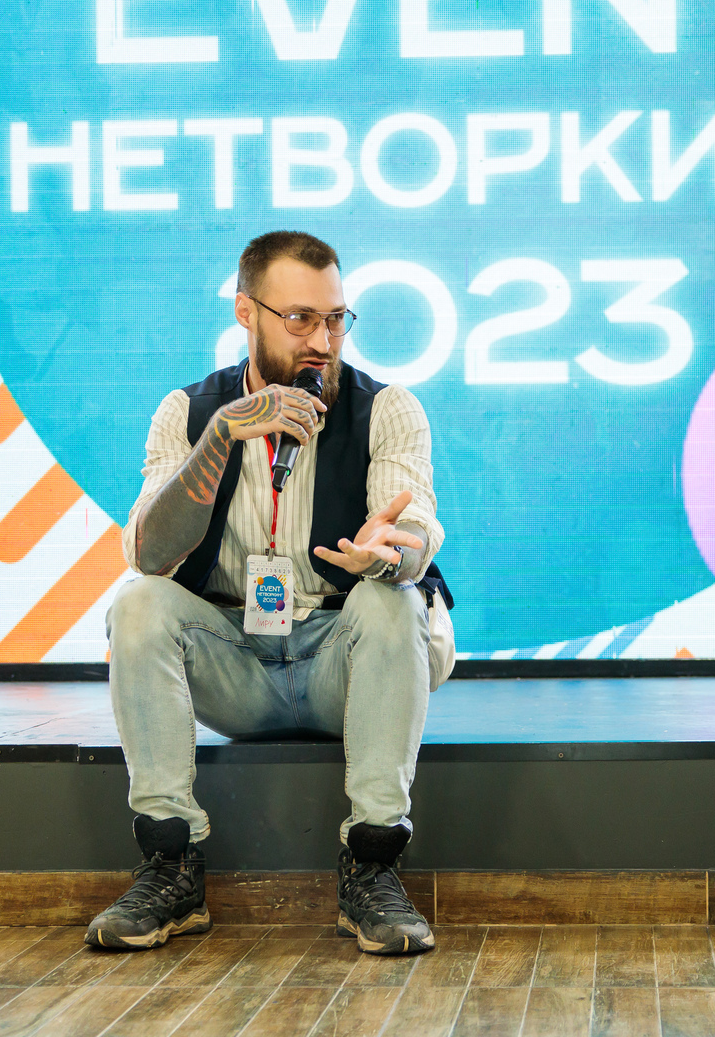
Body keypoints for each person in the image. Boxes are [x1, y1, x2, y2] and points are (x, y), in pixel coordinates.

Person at [86, 230, 455, 957]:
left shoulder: (387, 410)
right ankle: (171, 866)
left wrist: (391, 554)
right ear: (245, 312)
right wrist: (220, 438)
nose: (322, 340)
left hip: (343, 664)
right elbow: (151, 554)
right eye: (299, 319)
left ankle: (373, 867)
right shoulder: (189, 413)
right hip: (238, 664)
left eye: (336, 319)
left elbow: (414, 531)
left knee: (392, 600)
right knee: (137, 602)